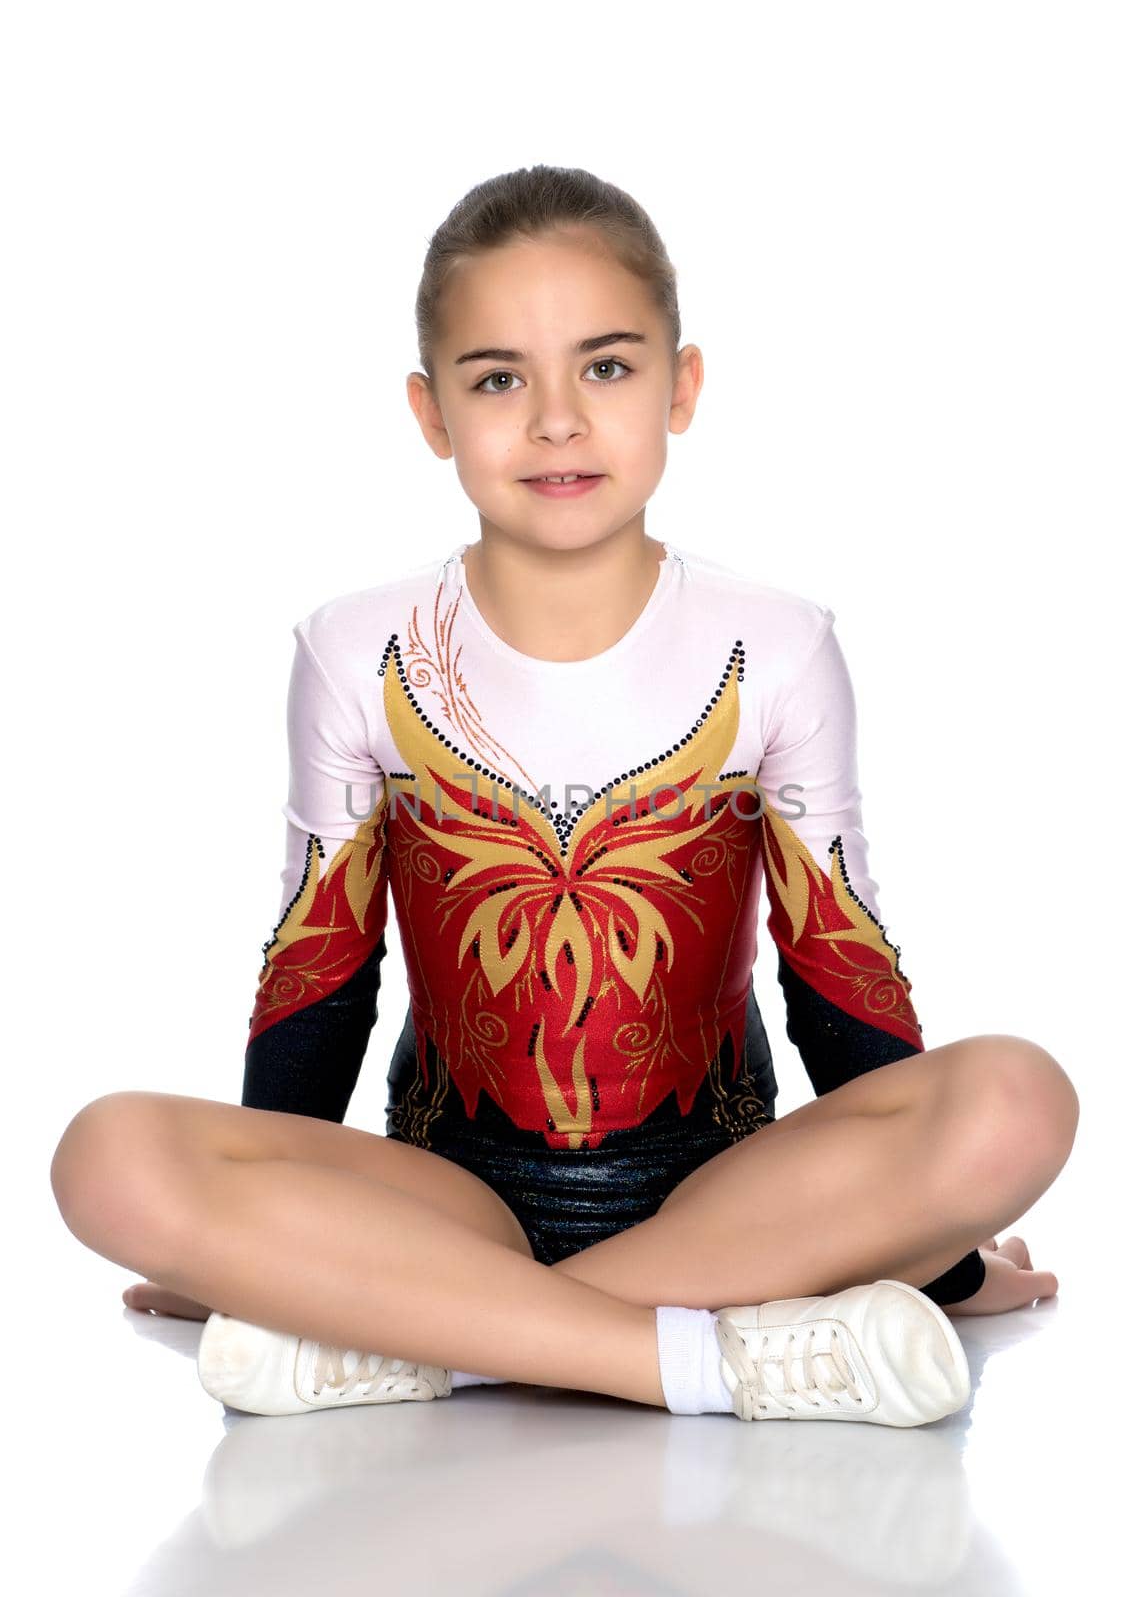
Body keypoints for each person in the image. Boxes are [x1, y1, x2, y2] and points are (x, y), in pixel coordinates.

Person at [50, 164, 1079, 1424]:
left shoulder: (777, 642)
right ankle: (700, 1358)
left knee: (1020, 1098)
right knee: (102, 1156)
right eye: (498, 379)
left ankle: (427, 1340)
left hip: (729, 1193)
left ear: (680, 384)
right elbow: (318, 970)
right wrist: (255, 1216)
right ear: (431, 413)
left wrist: (950, 1233)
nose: (555, 422)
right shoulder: (357, 647)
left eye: (605, 368)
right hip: (451, 1194)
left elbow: (839, 968)